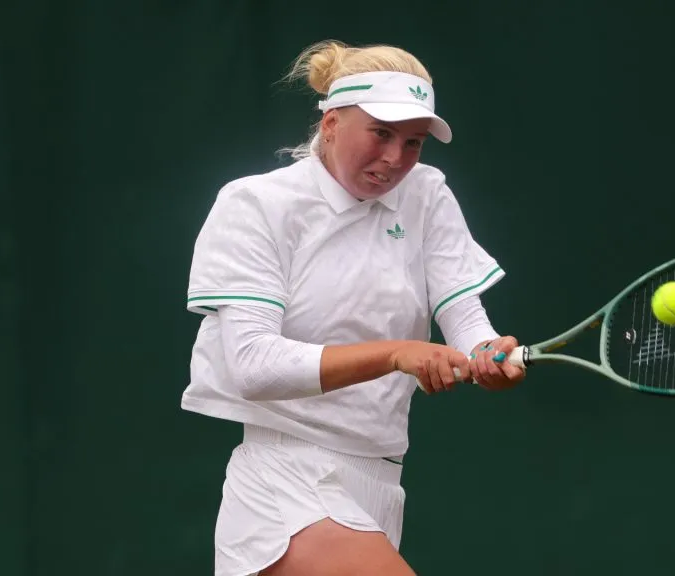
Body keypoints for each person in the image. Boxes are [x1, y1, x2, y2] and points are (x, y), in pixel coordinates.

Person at [182, 39, 525, 576]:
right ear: (332, 123)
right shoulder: (255, 204)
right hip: (287, 480)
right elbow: (251, 366)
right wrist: (396, 354)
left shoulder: (427, 195)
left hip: (380, 481)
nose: (395, 159)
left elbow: (468, 325)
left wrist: (488, 357)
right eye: (381, 133)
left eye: (413, 143)